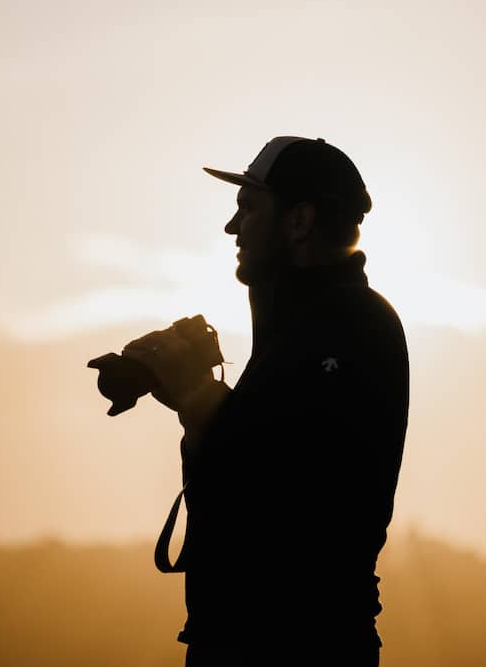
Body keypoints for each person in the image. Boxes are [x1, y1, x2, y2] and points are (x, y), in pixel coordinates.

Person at [123, 136, 409, 666]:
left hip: (299, 645)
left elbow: (293, 497)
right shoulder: (304, 325)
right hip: (249, 638)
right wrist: (197, 404)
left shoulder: (350, 326)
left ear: (299, 221)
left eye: (248, 208)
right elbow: (267, 454)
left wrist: (198, 393)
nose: (232, 228)